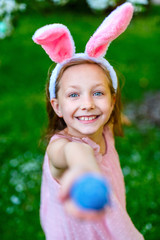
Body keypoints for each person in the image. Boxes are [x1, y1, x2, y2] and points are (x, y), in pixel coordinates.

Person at [32, 3, 144, 240]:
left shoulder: (104, 127)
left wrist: (116, 116)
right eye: (74, 94)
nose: (88, 104)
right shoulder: (60, 147)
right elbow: (76, 153)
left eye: (97, 93)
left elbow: (105, 114)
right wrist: (85, 172)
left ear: (112, 101)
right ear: (57, 106)